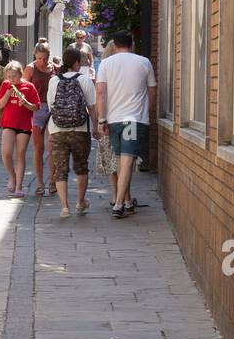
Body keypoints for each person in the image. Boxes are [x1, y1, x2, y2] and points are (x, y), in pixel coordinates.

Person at [95, 30, 157, 218]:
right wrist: (146, 111)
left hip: (113, 119)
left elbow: (100, 92)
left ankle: (124, 201)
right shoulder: (144, 62)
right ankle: (120, 204)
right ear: (132, 44)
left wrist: (101, 119)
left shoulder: (105, 64)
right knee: (127, 160)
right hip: (133, 119)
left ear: (114, 45)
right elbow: (152, 91)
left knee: (122, 160)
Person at [48, 45, 97, 218]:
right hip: (80, 129)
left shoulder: (54, 81)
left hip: (57, 130)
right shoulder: (84, 80)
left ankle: (64, 207)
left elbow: (51, 106)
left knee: (60, 169)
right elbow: (92, 107)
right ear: (77, 63)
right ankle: (80, 202)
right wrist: (96, 127)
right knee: (81, 167)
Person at [0, 61, 39, 197]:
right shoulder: (5, 85)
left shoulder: (29, 86)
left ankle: (19, 186)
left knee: (20, 154)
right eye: (9, 76)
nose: (11, 79)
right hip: (8, 123)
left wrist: (25, 103)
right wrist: (8, 94)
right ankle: (12, 176)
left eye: (14, 76)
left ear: (20, 74)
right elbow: (0, 105)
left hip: (24, 125)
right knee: (6, 153)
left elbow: (36, 107)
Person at [24, 43, 55, 195]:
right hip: (36, 110)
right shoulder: (30, 68)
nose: (42, 61)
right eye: (39, 58)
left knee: (52, 148)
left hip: (52, 109)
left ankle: (53, 182)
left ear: (49, 56)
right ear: (35, 55)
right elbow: (24, 88)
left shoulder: (55, 68)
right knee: (38, 148)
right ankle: (40, 183)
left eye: (45, 58)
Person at [95, 41, 119, 205]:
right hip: (124, 119)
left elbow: (100, 96)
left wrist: (99, 120)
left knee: (110, 159)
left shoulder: (104, 69)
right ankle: (124, 197)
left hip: (107, 119)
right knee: (124, 158)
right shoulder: (125, 71)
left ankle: (115, 195)